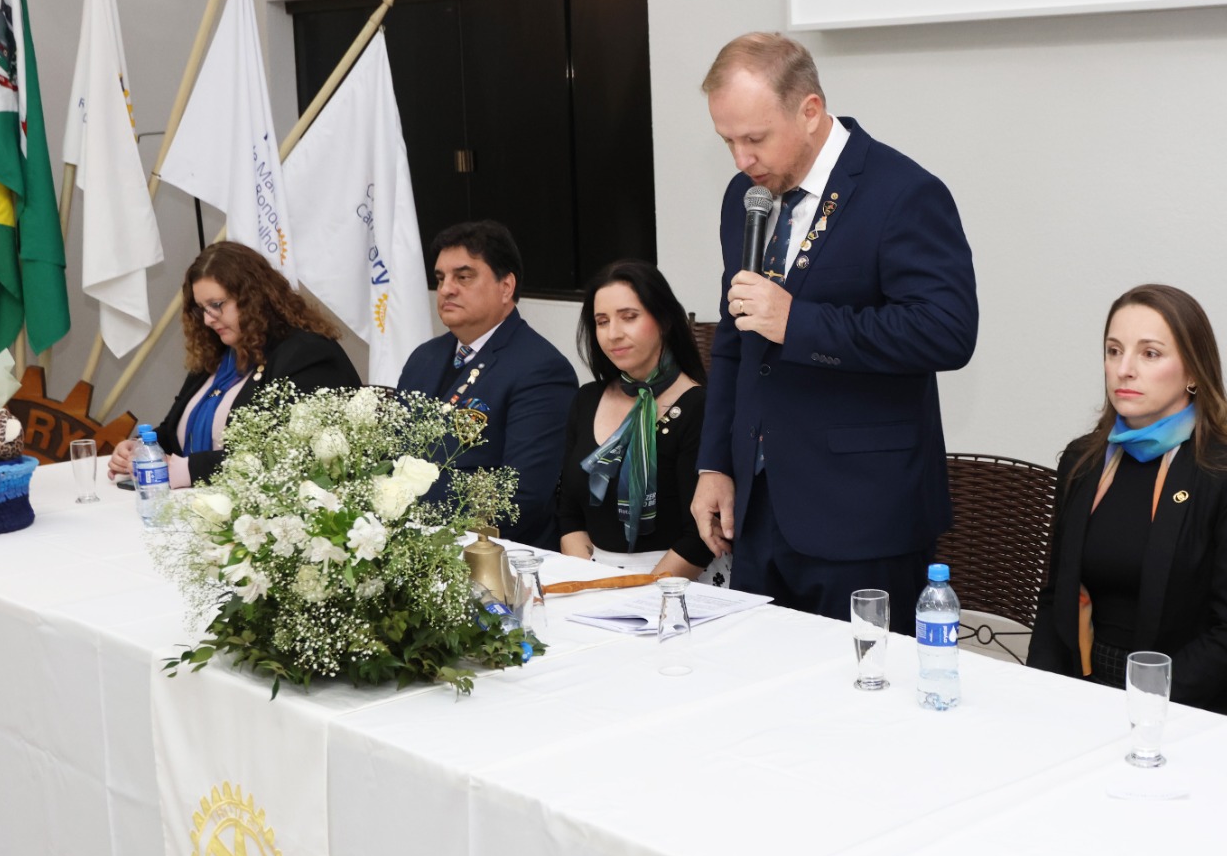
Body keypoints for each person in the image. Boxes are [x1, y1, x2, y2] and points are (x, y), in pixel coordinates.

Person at [689, 32, 978, 633]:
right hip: (759, 511)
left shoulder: (902, 192)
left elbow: (947, 331)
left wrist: (799, 322)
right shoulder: (745, 197)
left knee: (864, 686)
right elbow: (736, 341)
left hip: (863, 516)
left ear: (810, 110)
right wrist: (714, 463)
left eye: (755, 139)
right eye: (728, 141)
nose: (741, 160)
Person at [1027, 284, 1227, 723]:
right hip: (1084, 690)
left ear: (1194, 372)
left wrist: (1139, 707)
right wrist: (1040, 695)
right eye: (1114, 351)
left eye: (1149, 354)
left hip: (1191, 707)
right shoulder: (1083, 459)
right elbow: (1057, 597)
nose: (1124, 370)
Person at [107, 241, 360, 487]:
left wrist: (191, 471)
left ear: (254, 297)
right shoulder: (218, 355)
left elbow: (292, 453)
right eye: (202, 309)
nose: (208, 320)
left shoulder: (306, 353)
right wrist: (141, 449)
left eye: (216, 305)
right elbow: (174, 433)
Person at [395, 220, 577, 550]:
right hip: (412, 544)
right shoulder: (423, 358)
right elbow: (392, 453)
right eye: (441, 278)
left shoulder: (541, 369)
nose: (446, 289)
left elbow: (521, 495)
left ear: (506, 286)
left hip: (497, 555)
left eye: (463, 277)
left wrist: (405, 495)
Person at [557, 260, 729, 584]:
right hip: (593, 577)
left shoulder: (699, 407)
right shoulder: (587, 399)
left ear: (664, 319)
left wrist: (639, 596)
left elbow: (700, 536)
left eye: (629, 317)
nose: (613, 334)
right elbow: (569, 513)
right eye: (602, 321)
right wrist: (587, 583)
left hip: (677, 584)